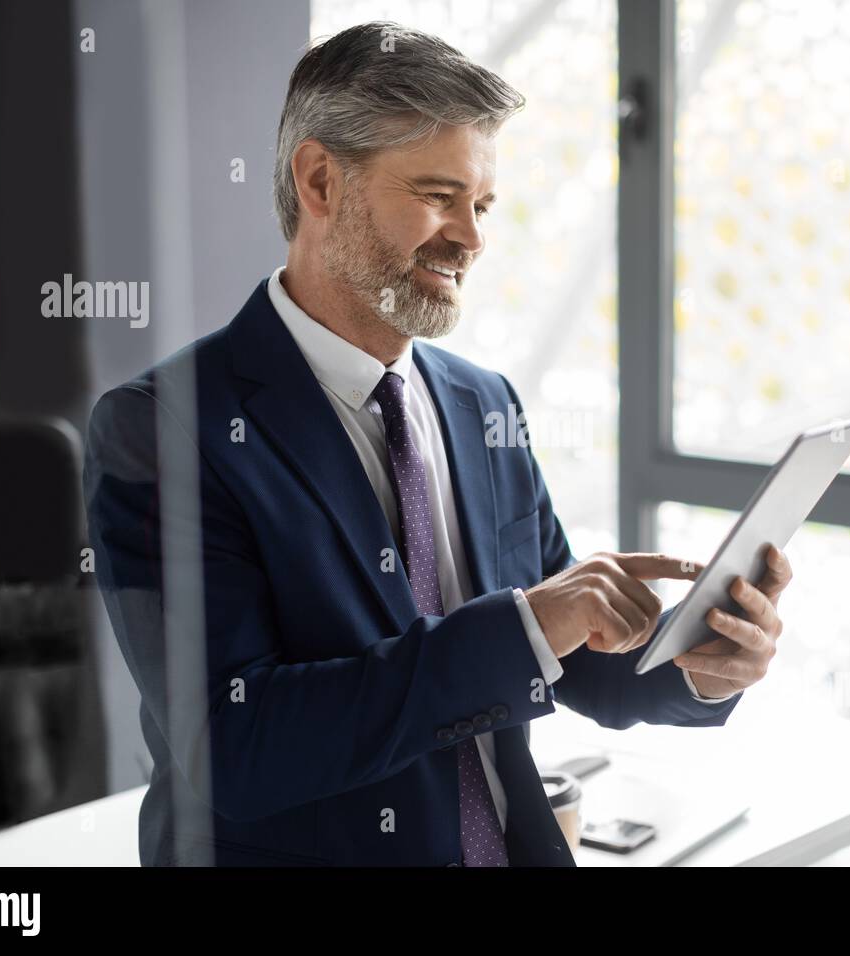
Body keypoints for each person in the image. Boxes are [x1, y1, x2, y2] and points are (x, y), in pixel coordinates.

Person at [83, 21, 791, 867]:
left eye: (482, 204)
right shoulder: (164, 427)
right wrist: (526, 626)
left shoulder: (480, 403)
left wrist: (698, 667)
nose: (473, 237)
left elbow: (569, 656)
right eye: (437, 195)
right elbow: (235, 747)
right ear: (320, 182)